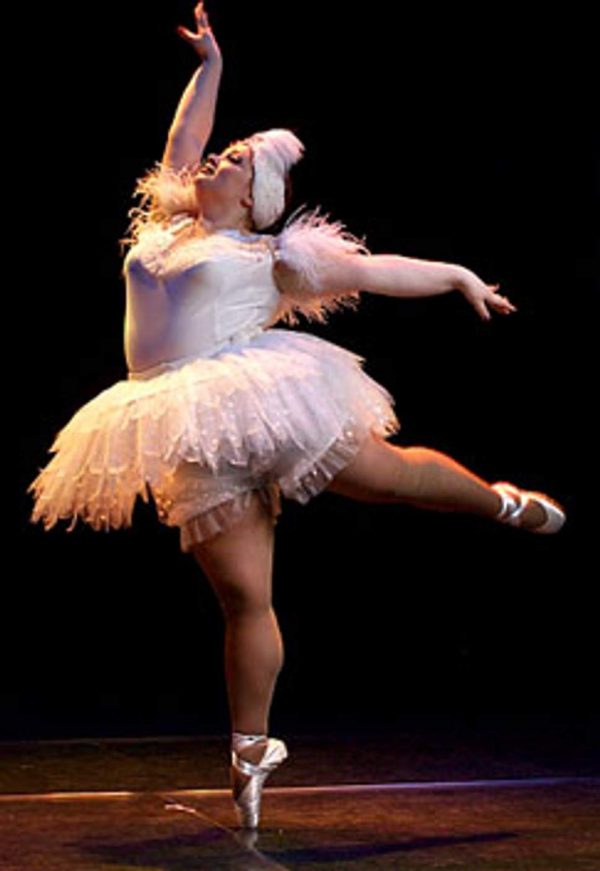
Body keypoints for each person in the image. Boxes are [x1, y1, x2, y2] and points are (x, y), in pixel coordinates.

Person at [26, 2, 566, 830]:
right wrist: (211, 66)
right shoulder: (166, 223)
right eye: (225, 151)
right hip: (183, 421)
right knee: (245, 595)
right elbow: (183, 137)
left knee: (391, 479)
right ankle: (250, 751)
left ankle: (499, 501)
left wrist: (458, 275)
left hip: (262, 399)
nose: (218, 157)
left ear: (256, 198)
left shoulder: (270, 256)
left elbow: (377, 269)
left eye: (237, 159)